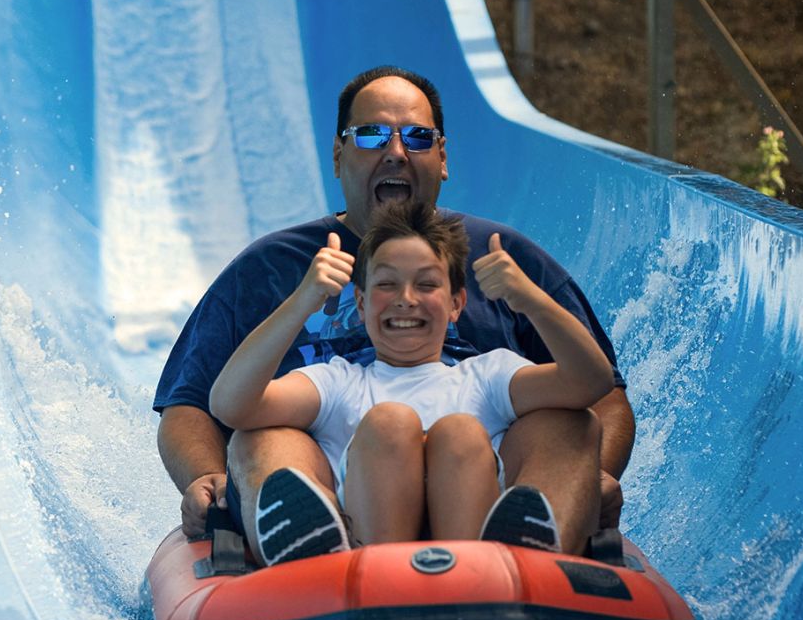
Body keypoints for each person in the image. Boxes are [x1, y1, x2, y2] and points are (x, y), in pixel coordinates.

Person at [155, 65, 635, 556]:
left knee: (568, 424)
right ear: (339, 155)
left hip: (484, 479)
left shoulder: (504, 264)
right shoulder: (273, 274)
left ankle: (533, 542)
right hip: (335, 471)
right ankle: (312, 546)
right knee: (263, 435)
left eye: (418, 137)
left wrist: (592, 478)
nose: (396, 152)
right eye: (371, 135)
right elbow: (195, 402)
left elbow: (599, 393)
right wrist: (206, 479)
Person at [209, 200, 615, 564]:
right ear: (362, 304)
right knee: (389, 424)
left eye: (426, 284)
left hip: (477, 555)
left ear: (456, 304)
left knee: (466, 432)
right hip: (363, 557)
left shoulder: (488, 375)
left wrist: (531, 300)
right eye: (386, 284)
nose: (406, 298)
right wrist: (303, 301)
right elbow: (231, 405)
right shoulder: (339, 383)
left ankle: (507, 562)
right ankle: (335, 557)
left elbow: (590, 383)